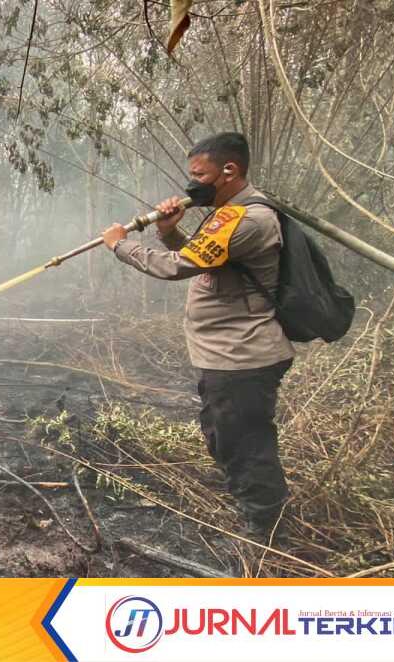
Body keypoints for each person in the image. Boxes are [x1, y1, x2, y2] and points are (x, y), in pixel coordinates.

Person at [100, 132, 294, 543]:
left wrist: (121, 246)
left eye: (198, 175)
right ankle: (256, 508)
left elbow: (179, 266)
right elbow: (211, 261)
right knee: (224, 434)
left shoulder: (248, 218)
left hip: (242, 355)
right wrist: (170, 230)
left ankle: (267, 532)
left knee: (245, 443)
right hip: (225, 352)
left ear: (229, 171)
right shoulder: (229, 212)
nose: (191, 185)